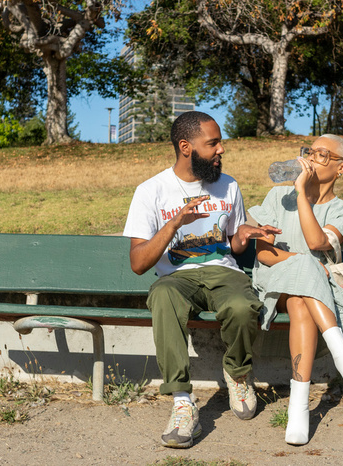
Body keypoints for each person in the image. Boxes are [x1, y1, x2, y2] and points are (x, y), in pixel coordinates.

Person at [123, 111, 280, 449]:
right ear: (185, 147)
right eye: (212, 143)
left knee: (242, 306)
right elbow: (138, 263)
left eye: (220, 142)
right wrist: (174, 224)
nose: (221, 149)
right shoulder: (152, 191)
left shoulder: (229, 185)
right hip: (176, 277)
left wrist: (246, 235)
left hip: (224, 271)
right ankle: (181, 401)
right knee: (163, 297)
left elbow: (234, 245)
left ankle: (238, 374)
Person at [248, 134, 343, 445]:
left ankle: (298, 408)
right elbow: (263, 254)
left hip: (315, 295)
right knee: (307, 265)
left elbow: (317, 241)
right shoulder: (278, 197)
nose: (313, 158)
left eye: (322, 154)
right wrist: (298, 192)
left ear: (340, 168)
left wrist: (302, 195)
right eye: (310, 152)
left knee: (302, 300)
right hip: (273, 283)